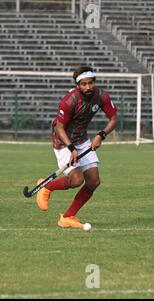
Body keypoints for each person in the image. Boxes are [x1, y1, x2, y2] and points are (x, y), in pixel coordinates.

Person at [36, 66, 118, 229]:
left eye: (91, 83)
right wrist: (72, 148)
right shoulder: (70, 100)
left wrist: (100, 135)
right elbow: (59, 128)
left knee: (93, 181)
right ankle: (46, 186)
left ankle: (68, 217)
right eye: (84, 84)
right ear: (77, 85)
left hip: (82, 138)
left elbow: (114, 119)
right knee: (76, 180)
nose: (88, 87)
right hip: (63, 140)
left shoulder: (101, 96)